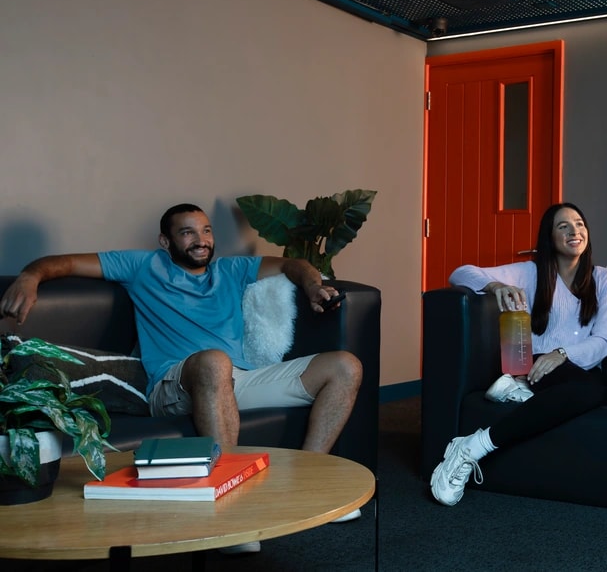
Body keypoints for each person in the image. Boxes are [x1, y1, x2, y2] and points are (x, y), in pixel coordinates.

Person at [0, 204, 364, 547]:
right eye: (188, 233)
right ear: (166, 241)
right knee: (212, 361)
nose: (201, 240)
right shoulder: (141, 266)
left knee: (345, 365)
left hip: (236, 380)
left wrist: (314, 285)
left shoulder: (232, 270)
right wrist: (31, 276)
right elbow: (63, 263)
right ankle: (233, 511)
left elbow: (292, 264)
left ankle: (307, 485)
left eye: (205, 231)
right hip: (173, 385)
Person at [430, 202, 607, 506]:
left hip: (574, 367)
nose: (575, 231)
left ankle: (516, 391)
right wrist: (494, 286)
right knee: (589, 390)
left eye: (580, 224)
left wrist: (561, 354)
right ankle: (473, 446)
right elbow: (460, 273)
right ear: (550, 237)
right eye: (564, 226)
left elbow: (603, 341)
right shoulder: (530, 273)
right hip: (537, 366)